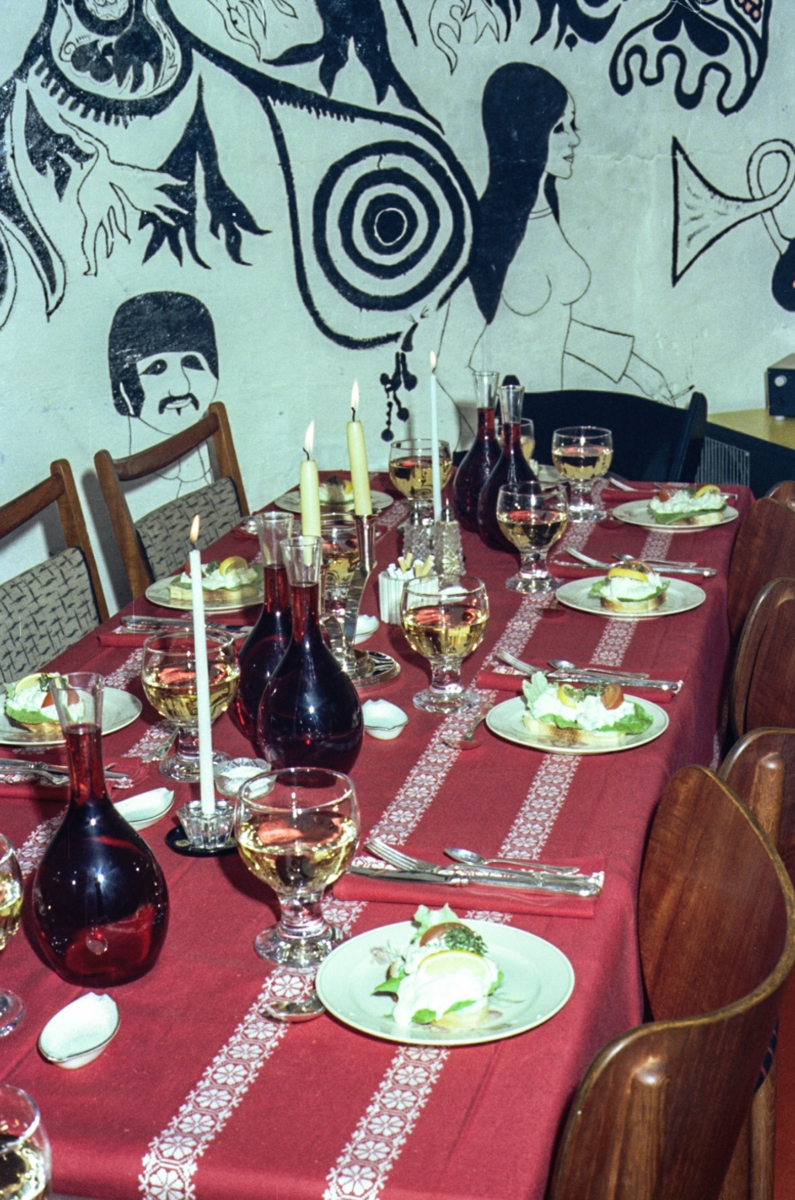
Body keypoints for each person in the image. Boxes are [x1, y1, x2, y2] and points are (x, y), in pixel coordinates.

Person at [437, 62, 671, 404]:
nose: (575, 139)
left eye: (572, 125)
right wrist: (494, 431)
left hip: (549, 426)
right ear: (528, 133)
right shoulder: (487, 233)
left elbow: (552, 327)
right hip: (511, 432)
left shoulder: (543, 214)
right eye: (560, 127)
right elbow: (450, 364)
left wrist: (640, 371)